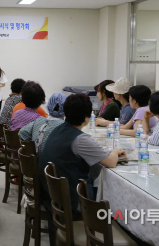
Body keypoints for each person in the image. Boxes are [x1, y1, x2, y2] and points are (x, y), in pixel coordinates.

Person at [38, 93, 126, 242]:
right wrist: (115, 151)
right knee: (114, 200)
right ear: (86, 118)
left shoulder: (57, 130)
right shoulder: (80, 139)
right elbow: (111, 162)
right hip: (73, 201)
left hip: (51, 195)